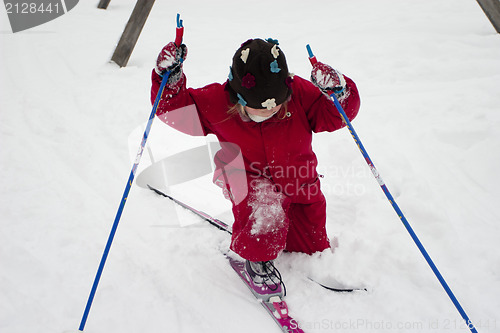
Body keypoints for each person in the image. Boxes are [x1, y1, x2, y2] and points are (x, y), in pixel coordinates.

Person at [151, 38, 360, 298]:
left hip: (298, 176)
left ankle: (303, 251)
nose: (268, 113)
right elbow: (174, 109)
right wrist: (168, 79)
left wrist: (339, 94)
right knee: (264, 209)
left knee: (309, 237)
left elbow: (335, 114)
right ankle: (257, 261)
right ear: (237, 96)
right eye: (257, 109)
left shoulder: (300, 94)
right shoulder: (218, 102)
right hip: (247, 177)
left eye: (276, 107)